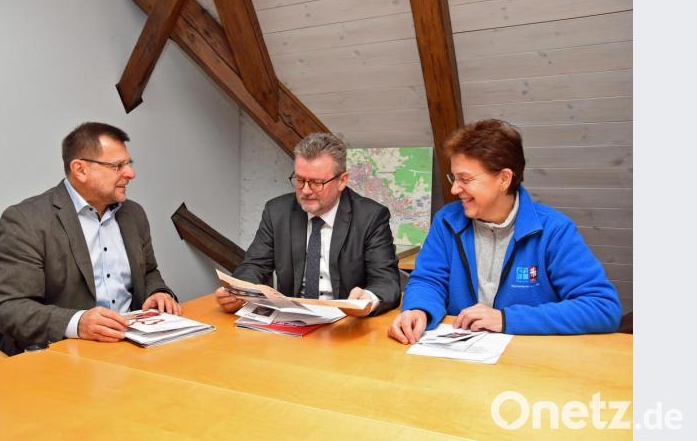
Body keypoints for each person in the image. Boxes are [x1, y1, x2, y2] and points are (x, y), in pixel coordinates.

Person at [389, 119, 621, 343]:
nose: (454, 188)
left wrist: (507, 319)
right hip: (458, 360)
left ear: (504, 179)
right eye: (454, 177)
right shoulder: (446, 221)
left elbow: (601, 307)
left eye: (465, 179)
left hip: (527, 362)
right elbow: (428, 280)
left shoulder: (554, 230)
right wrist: (419, 310)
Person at [0, 122, 180, 355]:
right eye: (117, 165)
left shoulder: (133, 214)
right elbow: (11, 309)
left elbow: (149, 272)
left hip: (131, 347)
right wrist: (78, 323)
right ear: (80, 169)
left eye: (129, 164)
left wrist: (157, 293)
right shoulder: (26, 220)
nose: (130, 173)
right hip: (63, 355)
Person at [215, 133, 401, 317]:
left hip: (346, 324)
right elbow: (255, 265)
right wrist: (239, 292)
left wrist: (367, 298)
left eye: (316, 183)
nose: (305, 191)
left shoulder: (370, 217)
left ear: (342, 180)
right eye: (300, 180)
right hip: (293, 321)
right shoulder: (277, 212)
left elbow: (386, 282)